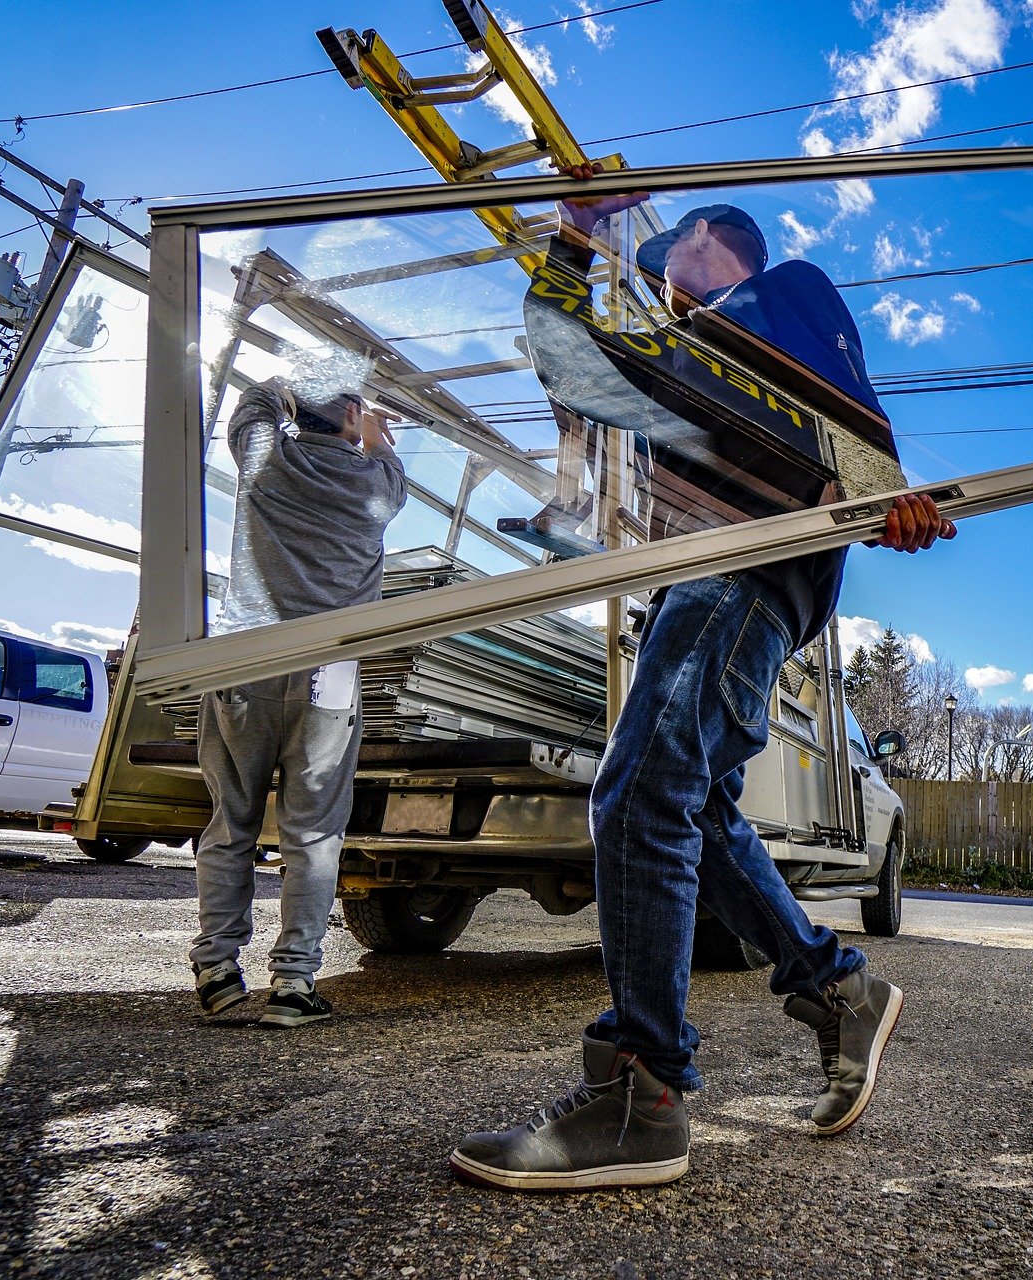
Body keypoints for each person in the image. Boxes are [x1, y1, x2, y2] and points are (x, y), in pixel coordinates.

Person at [450, 179, 956, 1190]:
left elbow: (845, 394)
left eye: (670, 247)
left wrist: (878, 486)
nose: (658, 269)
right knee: (696, 808)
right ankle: (835, 985)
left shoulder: (775, 299)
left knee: (637, 792)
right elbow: (565, 360)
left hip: (749, 568)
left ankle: (646, 1088)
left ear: (715, 243)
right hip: (695, 581)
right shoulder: (670, 362)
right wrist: (570, 242)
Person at [190, 377, 407, 1028]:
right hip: (327, 675)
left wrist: (294, 388)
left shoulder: (265, 459)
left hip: (245, 663)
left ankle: (218, 975)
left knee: (231, 823)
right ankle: (291, 985)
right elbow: (387, 460)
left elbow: (255, 401)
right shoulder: (376, 484)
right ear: (348, 415)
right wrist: (370, 433)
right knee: (313, 836)